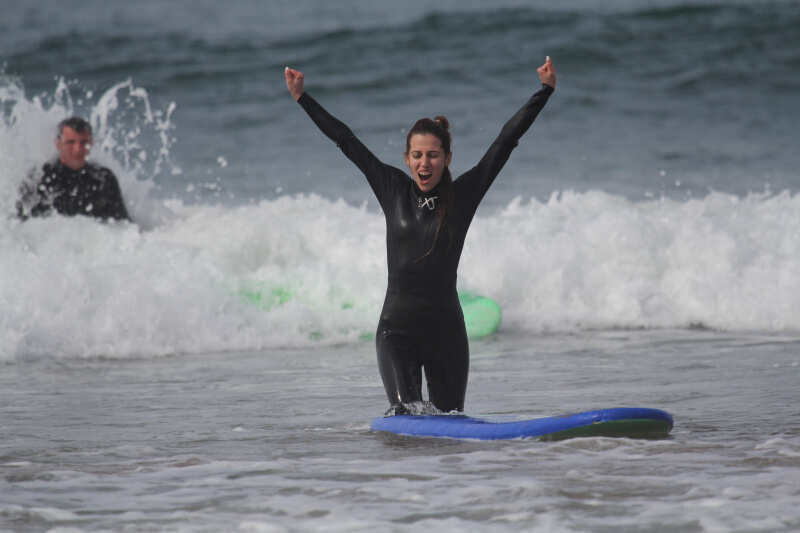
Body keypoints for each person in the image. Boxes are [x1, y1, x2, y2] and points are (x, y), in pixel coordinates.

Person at [285, 58, 556, 415]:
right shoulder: (392, 188)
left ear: (447, 158)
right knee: (404, 415)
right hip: (396, 333)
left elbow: (506, 141)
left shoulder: (462, 196)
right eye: (417, 155)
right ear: (407, 158)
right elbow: (345, 140)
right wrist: (302, 97)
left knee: (450, 426)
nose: (424, 163)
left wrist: (545, 91)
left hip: (447, 335)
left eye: (432, 156)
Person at [17, 116, 130, 221]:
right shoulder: (39, 177)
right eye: (70, 142)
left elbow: (124, 225)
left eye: (84, 142)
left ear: (91, 144)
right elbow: (19, 224)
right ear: (58, 144)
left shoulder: (103, 179)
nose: (77, 149)